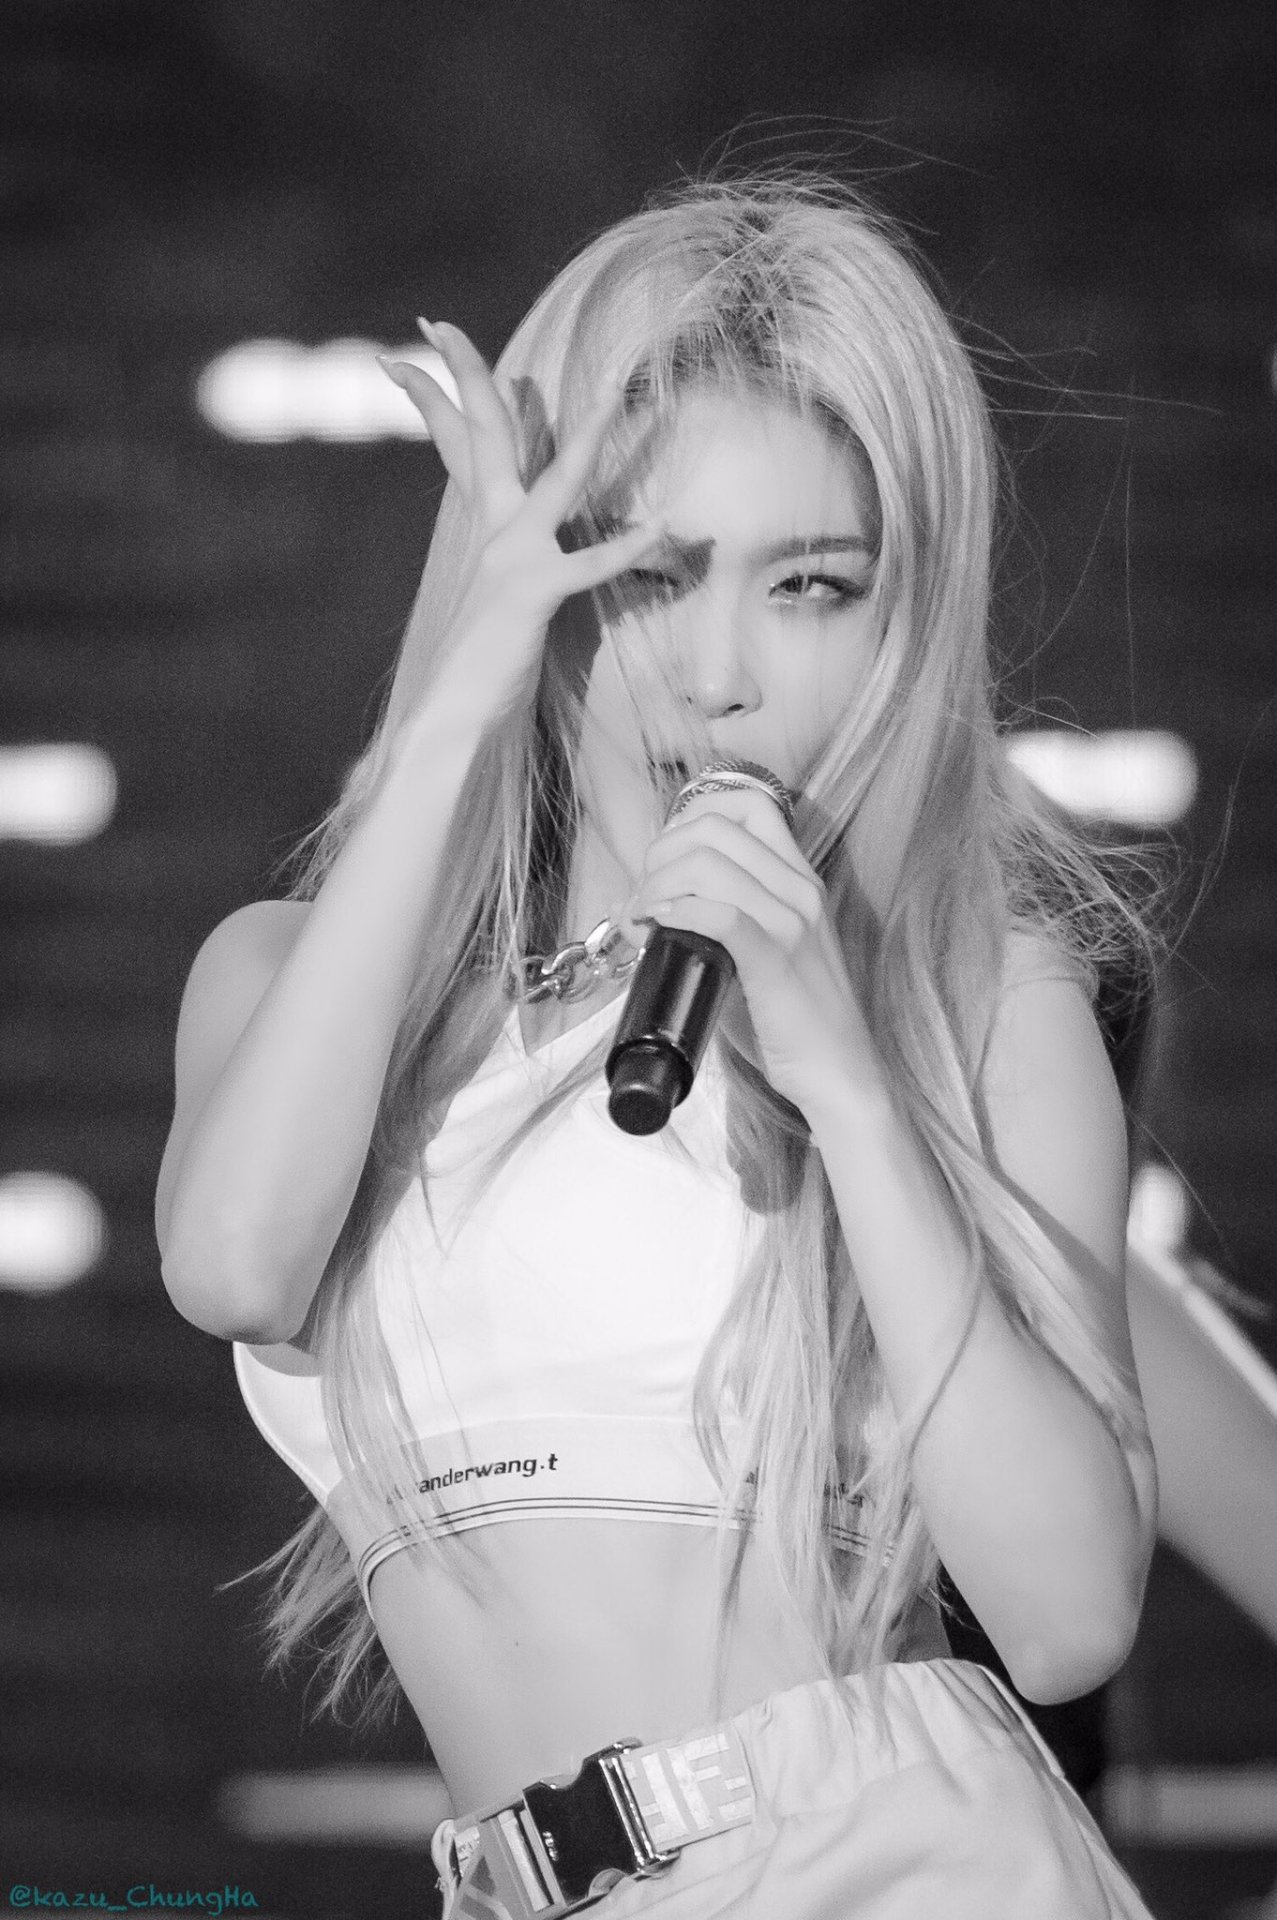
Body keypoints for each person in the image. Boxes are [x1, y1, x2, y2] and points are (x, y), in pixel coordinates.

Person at [156, 174, 1164, 1916]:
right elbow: (236, 1265)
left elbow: (1068, 1619)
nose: (718, 674)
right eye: (651, 574)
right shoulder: (290, 976)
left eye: (811, 586)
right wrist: (460, 695)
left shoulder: (973, 1000)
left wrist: (842, 1077)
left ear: (900, 618)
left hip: (895, 1864)